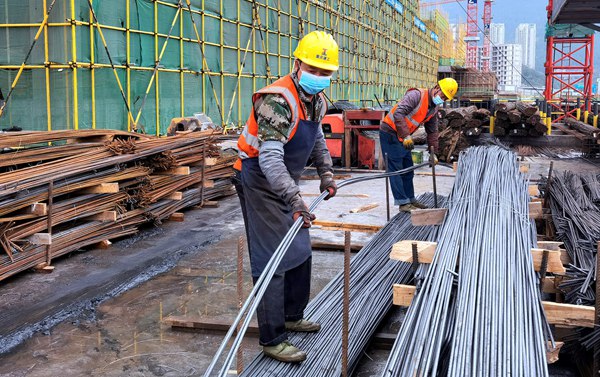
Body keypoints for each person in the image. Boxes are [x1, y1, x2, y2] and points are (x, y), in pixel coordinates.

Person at [232, 31, 338, 363]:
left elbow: (316, 137)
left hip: (282, 182)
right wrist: (295, 199)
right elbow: (269, 158)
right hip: (258, 179)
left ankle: (293, 315)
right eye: (313, 70)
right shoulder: (277, 99)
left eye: (325, 73)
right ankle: (273, 338)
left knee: (300, 248)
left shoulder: (316, 100)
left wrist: (327, 172)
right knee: (271, 259)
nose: (319, 78)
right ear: (297, 63)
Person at [379, 78, 458, 212]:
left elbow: (432, 131)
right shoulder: (416, 95)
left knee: (408, 169)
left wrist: (434, 154)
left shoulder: (433, 108)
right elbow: (399, 113)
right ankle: (403, 203)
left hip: (403, 136)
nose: (442, 99)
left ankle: (410, 199)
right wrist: (406, 136)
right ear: (437, 87)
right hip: (390, 132)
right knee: (397, 169)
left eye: (445, 98)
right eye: (442, 95)